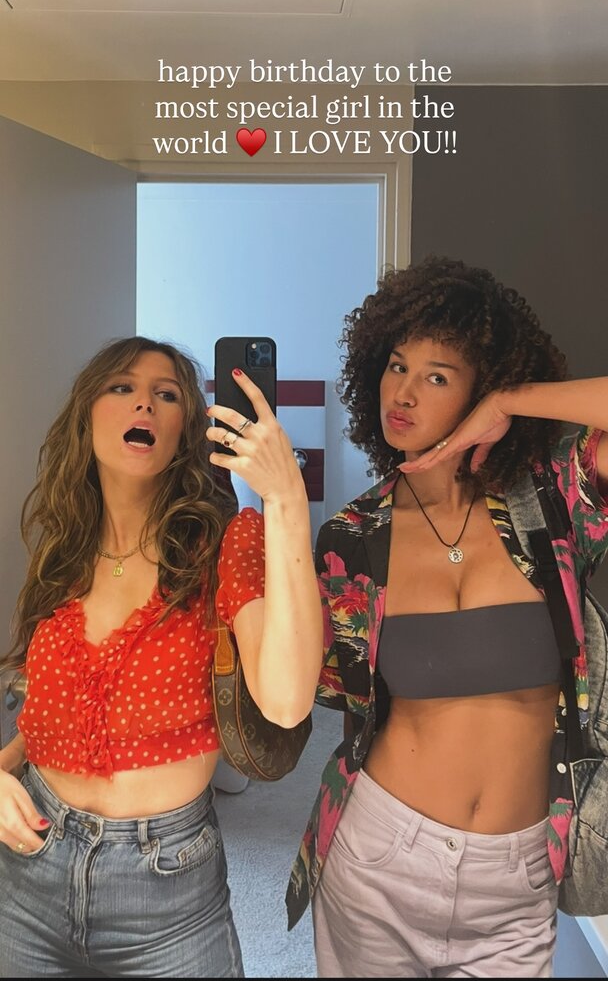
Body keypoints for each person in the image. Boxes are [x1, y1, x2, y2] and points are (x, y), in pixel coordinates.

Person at [286, 256, 608, 978]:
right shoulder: (351, 536)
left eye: (438, 376)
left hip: (519, 877)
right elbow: (319, 697)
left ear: (482, 387)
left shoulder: (552, 500)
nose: (402, 392)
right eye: (396, 365)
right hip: (378, 858)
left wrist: (514, 401)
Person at [0, 335, 321, 979]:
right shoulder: (62, 550)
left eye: (166, 395)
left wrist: (285, 501)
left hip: (168, 896)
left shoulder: (226, 545)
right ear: (87, 416)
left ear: (185, 430)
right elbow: (53, 709)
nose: (143, 403)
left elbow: (287, 702)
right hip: (28, 871)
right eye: (122, 387)